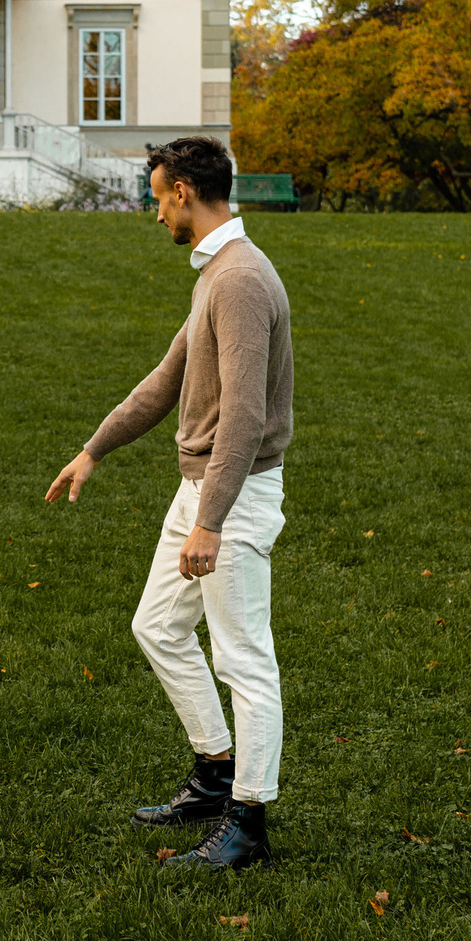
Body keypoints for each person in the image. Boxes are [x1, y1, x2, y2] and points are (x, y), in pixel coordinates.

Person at [45, 135, 295, 871]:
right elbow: (166, 378)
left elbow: (245, 414)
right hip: (204, 487)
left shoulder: (242, 279)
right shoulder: (217, 273)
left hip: (234, 493)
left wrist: (212, 519)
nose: (156, 213)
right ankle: (216, 771)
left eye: (159, 197)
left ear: (184, 191)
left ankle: (248, 822)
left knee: (244, 659)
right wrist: (94, 449)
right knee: (157, 625)